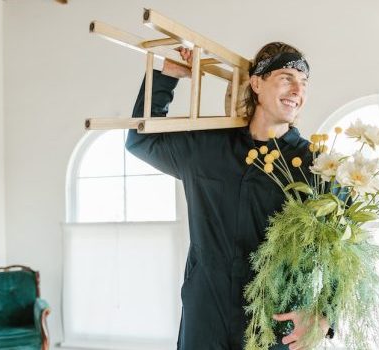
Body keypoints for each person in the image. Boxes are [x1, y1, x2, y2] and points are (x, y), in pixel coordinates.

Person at [125, 42, 330, 350]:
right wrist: (167, 76)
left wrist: (325, 313)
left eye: (303, 83)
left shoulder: (317, 165)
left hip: (274, 320)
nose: (297, 89)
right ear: (257, 82)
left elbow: (347, 244)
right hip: (205, 315)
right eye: (287, 77)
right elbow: (140, 141)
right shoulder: (207, 148)